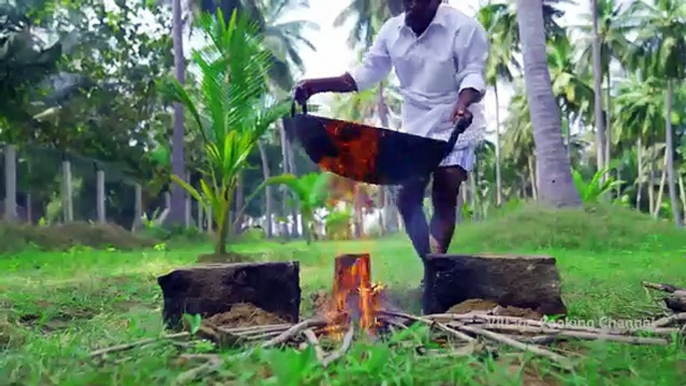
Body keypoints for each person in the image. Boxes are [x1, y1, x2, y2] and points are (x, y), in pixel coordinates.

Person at [293, 0, 489, 285]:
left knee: (445, 189)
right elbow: (364, 74)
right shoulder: (392, 30)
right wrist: (315, 86)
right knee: (407, 198)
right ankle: (431, 266)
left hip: (455, 121)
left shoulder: (465, 28)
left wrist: (462, 104)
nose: (406, 6)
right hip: (416, 127)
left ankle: (436, 265)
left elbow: (472, 74)